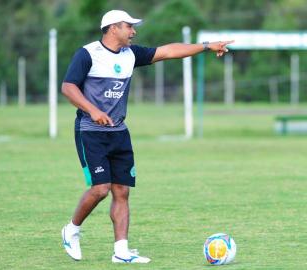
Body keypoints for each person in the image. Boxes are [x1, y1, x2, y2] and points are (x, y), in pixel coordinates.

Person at [61, 9, 233, 264]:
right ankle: (71, 230)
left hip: (119, 132)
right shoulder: (88, 54)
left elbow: (168, 51)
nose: (134, 31)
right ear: (113, 28)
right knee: (100, 189)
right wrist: (93, 110)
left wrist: (207, 46)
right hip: (90, 131)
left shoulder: (131, 55)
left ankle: (121, 251)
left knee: (121, 191)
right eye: (129, 26)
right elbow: (68, 87)